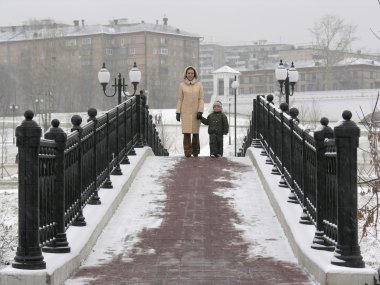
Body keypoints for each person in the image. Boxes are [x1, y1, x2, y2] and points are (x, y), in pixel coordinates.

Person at [176, 66, 205, 157]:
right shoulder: (182, 85)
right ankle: (187, 152)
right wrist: (178, 112)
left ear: (194, 74)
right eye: (189, 73)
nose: (190, 75)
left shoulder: (199, 85)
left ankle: (195, 151)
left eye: (192, 73)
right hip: (185, 113)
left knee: (195, 133)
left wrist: (200, 111)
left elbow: (201, 99)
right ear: (186, 74)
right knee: (186, 133)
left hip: (196, 112)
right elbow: (180, 99)